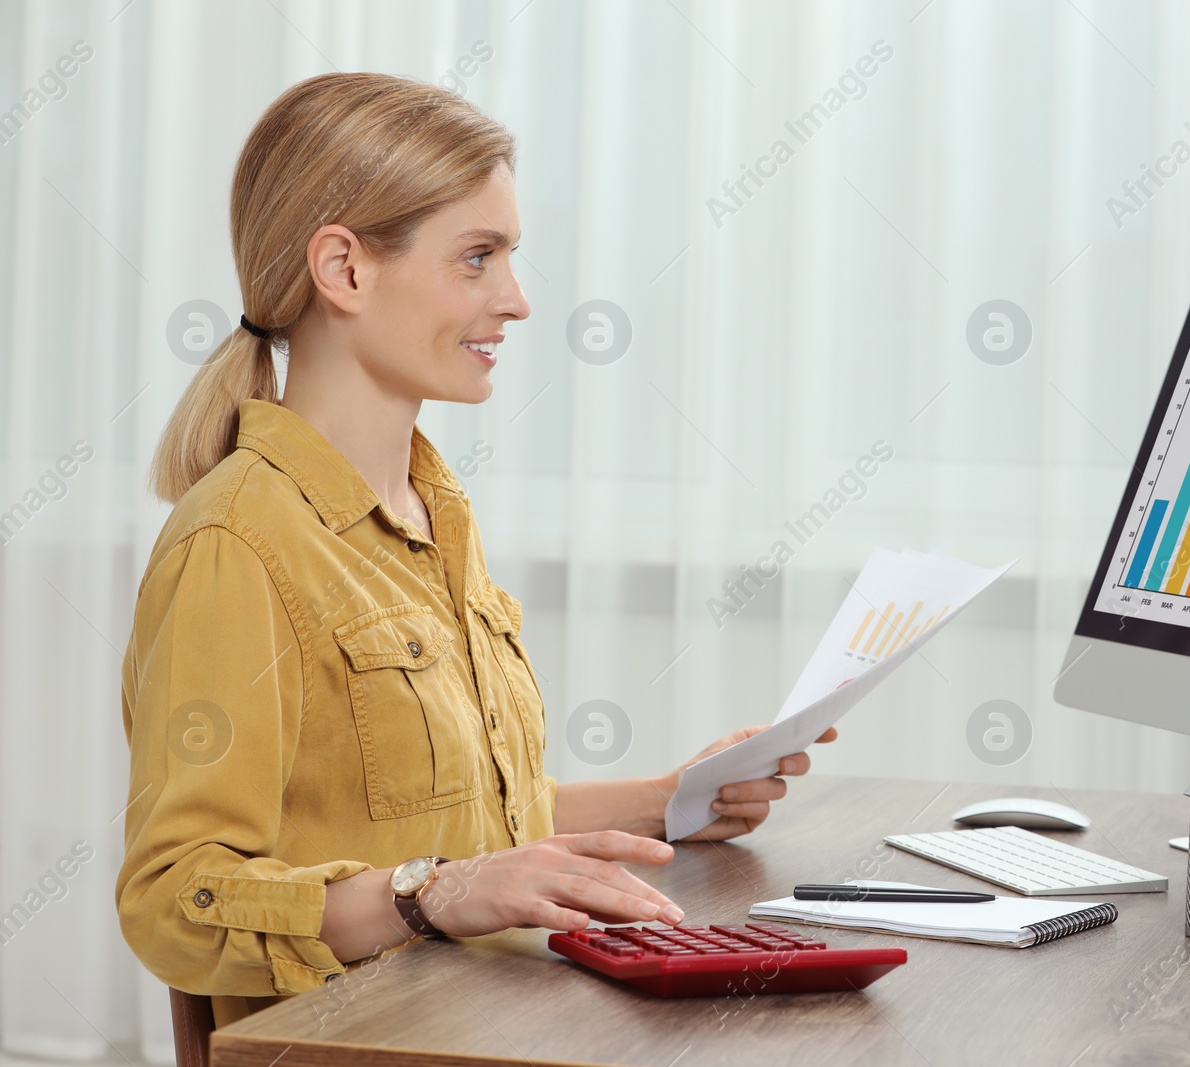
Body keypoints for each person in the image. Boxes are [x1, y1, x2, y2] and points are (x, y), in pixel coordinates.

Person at [115, 71, 832, 1028]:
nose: (518, 300)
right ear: (346, 270)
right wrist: (427, 894)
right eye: (478, 258)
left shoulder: (432, 509)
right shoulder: (236, 541)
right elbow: (173, 898)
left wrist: (668, 799)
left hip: (480, 1023)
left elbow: (466, 825)